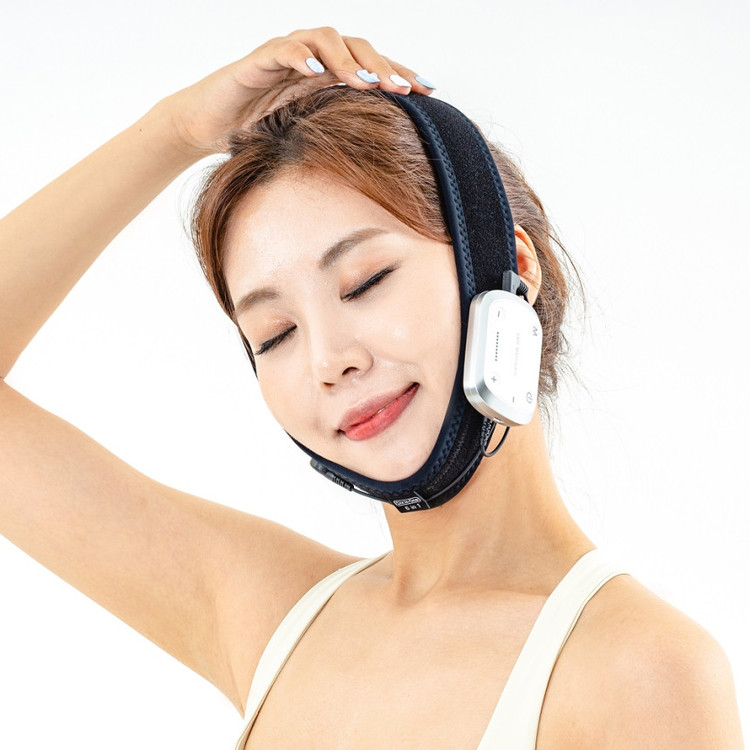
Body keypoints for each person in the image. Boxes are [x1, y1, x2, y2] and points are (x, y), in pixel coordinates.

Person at [0, 26, 743, 748]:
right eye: (276, 334)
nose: (328, 360)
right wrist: (174, 132)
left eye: (366, 281)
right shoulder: (272, 618)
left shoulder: (641, 671)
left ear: (514, 265)